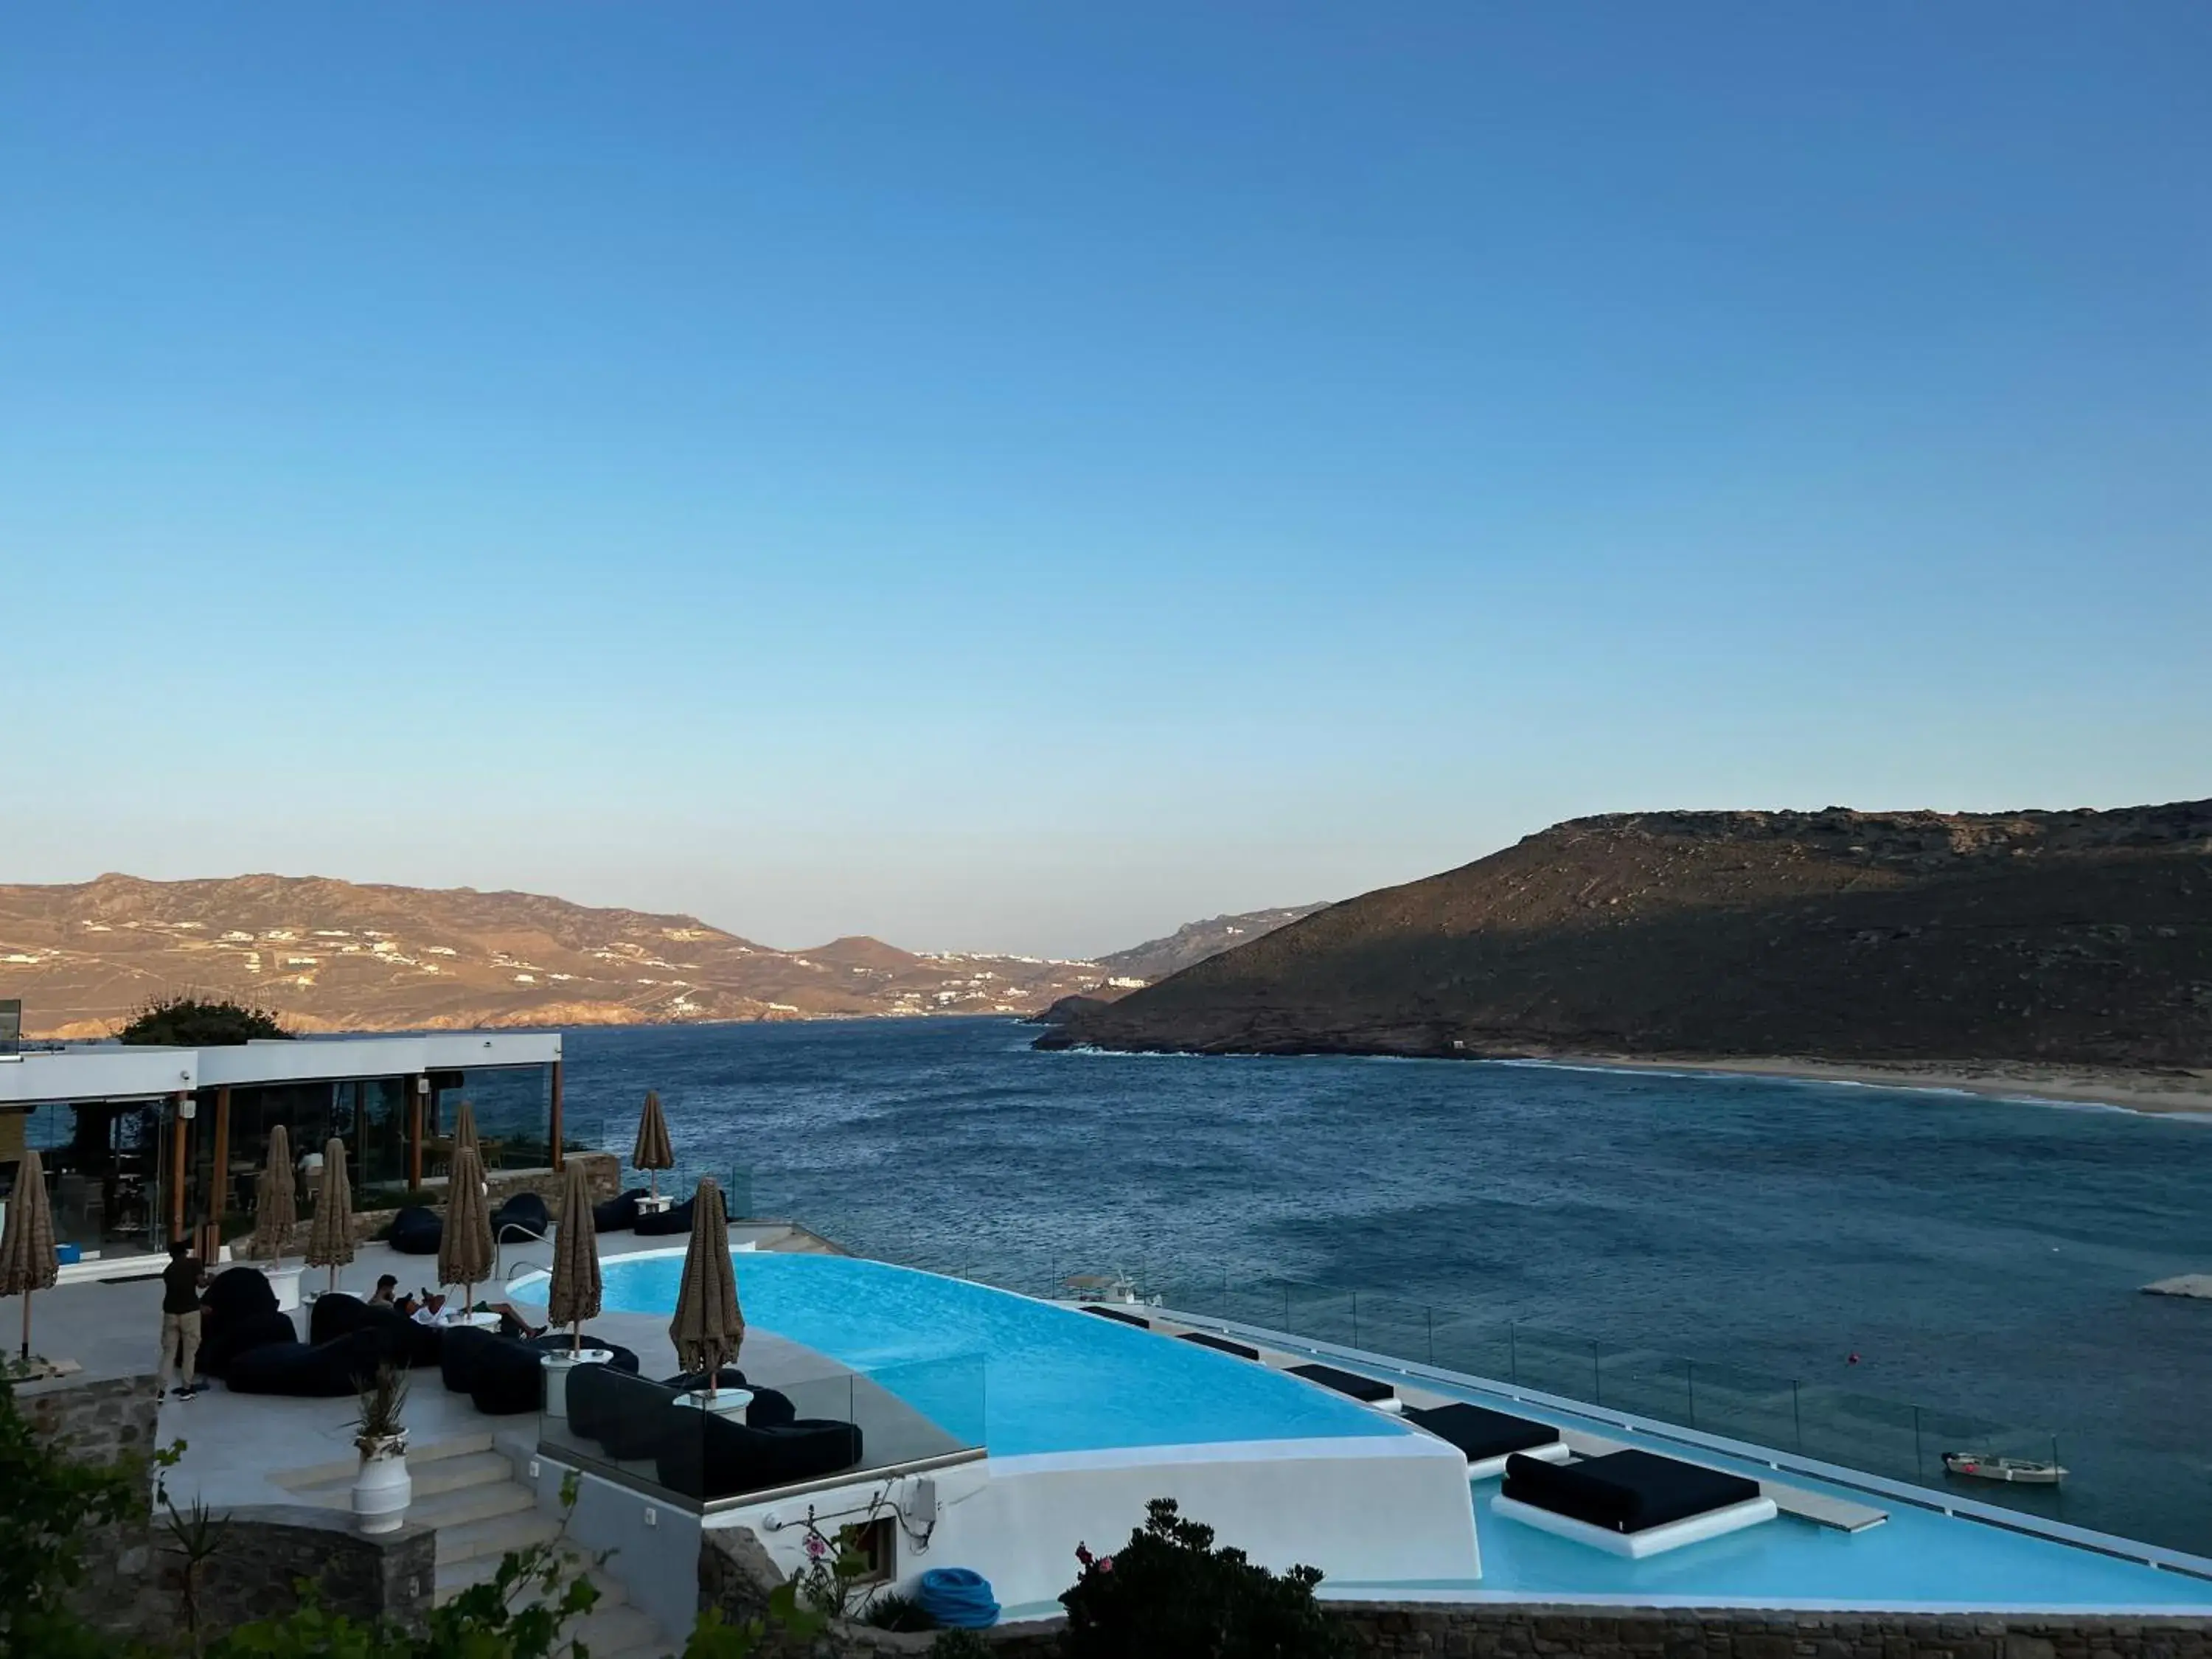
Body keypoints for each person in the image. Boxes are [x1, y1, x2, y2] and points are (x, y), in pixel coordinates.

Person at [157, 1239, 207, 1400]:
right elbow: (201, 1284)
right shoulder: (194, 1263)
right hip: (190, 1314)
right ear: (186, 1252)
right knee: (189, 1352)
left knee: (168, 1353)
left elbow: (179, 1293)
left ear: (171, 1255)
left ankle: (160, 1391)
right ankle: (187, 1388)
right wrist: (211, 1280)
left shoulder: (168, 1271)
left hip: (170, 1314)